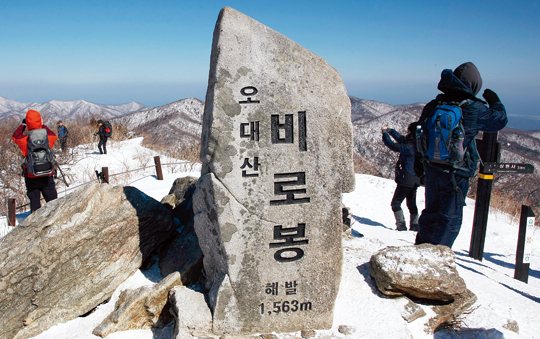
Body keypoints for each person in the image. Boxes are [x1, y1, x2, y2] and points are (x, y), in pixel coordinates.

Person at [415, 62, 507, 248]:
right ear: (474, 85)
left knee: (431, 212)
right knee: (450, 218)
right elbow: (499, 121)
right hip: (456, 172)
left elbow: (421, 132)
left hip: (432, 167)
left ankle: (420, 251)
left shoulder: (435, 104)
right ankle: (437, 260)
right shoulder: (473, 108)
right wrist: (494, 101)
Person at [12, 110, 58, 212]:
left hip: (31, 176)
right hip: (47, 175)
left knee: (35, 206)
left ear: (28, 124)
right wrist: (42, 125)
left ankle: (36, 225)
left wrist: (23, 124)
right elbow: (53, 135)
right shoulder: (48, 138)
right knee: (54, 205)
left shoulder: (25, 140)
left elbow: (15, 135)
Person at [382, 124, 421, 231]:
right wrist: (391, 130)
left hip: (406, 178)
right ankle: (415, 226)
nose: (407, 133)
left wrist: (385, 133)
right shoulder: (419, 145)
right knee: (411, 203)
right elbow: (401, 139)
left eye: (408, 132)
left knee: (395, 203)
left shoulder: (409, 147)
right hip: (416, 179)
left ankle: (401, 226)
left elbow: (392, 145)